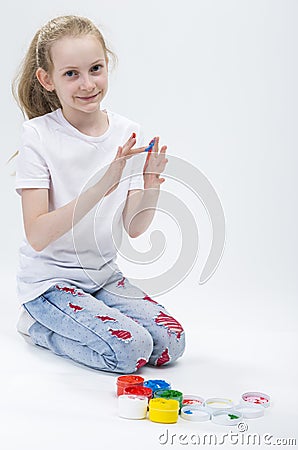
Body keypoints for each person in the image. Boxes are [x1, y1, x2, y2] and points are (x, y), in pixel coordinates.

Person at [13, 15, 185, 374]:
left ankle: (90, 316)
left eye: (95, 69)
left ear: (107, 66)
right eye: (71, 74)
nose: (87, 84)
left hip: (103, 276)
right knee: (130, 351)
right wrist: (102, 185)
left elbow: (135, 227)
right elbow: (38, 235)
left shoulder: (126, 131)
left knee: (171, 343)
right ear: (47, 80)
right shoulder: (38, 136)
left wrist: (150, 185)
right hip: (51, 283)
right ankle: (36, 325)